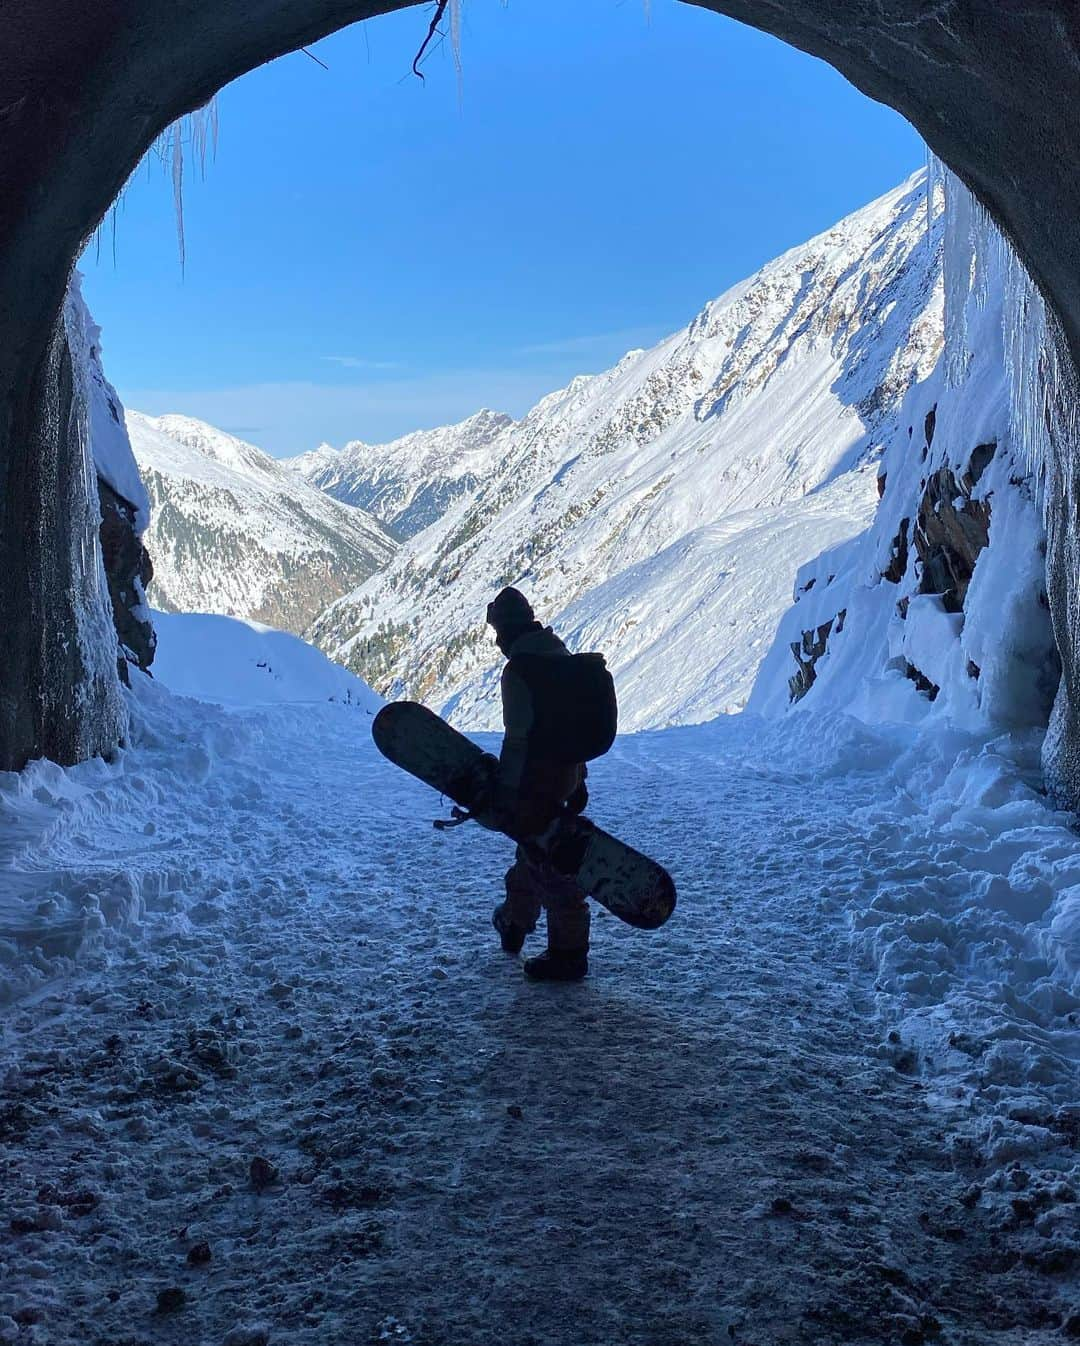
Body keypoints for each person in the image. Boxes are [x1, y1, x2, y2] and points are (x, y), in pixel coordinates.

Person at [480, 587, 592, 982]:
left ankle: (568, 954)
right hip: (565, 776)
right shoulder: (559, 655)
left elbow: (520, 738)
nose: (496, 641)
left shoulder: (521, 670)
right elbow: (570, 727)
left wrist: (507, 791)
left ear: (505, 629)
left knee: (554, 868)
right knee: (535, 851)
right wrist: (578, 779)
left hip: (536, 782)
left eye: (497, 632)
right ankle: (514, 922)